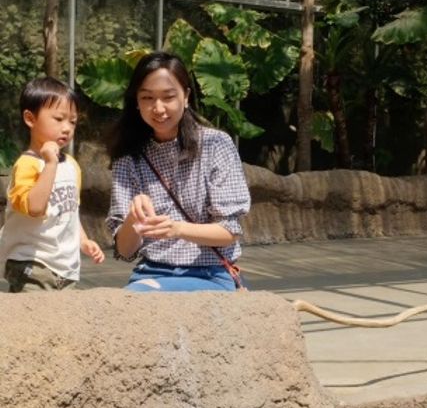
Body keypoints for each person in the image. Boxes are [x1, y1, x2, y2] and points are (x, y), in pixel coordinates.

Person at [106, 51, 251, 292]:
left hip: (211, 274)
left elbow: (229, 230)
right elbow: (125, 250)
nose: (158, 108)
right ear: (136, 102)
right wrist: (133, 218)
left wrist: (178, 229)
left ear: (186, 97)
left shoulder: (216, 144)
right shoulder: (128, 157)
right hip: (151, 272)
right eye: (147, 98)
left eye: (168, 97)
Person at [0, 77, 105, 292]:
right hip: (31, 263)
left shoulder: (72, 165)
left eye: (72, 121)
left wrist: (83, 241)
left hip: (66, 267)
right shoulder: (27, 165)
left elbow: (70, 210)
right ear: (30, 119)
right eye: (58, 119)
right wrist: (50, 164)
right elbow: (35, 208)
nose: (67, 128)